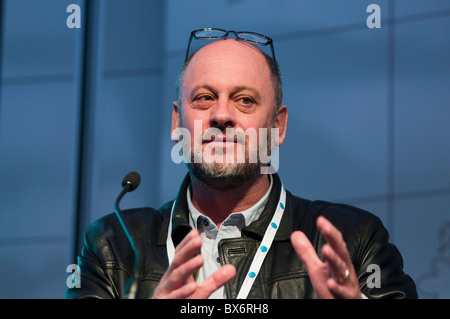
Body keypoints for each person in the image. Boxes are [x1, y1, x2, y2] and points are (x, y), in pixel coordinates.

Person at [65, 28, 417, 299]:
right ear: (177, 123)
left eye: (244, 100)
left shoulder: (355, 241)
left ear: (277, 126)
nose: (221, 115)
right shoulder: (112, 246)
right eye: (204, 98)